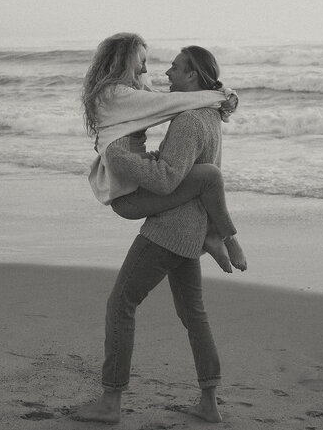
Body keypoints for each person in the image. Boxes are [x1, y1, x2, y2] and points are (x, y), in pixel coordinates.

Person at [75, 42, 247, 424]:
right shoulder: (208, 115)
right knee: (193, 314)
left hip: (169, 229)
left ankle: (110, 402)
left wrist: (120, 159)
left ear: (192, 75)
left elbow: (169, 178)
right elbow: (187, 172)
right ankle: (209, 401)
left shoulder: (187, 120)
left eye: (174, 67)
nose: (165, 73)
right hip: (191, 228)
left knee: (120, 305)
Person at [82, 33, 246, 272]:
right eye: (142, 61)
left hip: (134, 183)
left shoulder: (128, 92)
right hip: (128, 194)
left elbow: (168, 99)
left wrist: (225, 93)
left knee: (196, 172)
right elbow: (170, 103)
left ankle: (211, 235)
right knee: (208, 176)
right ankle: (226, 237)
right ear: (125, 60)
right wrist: (222, 96)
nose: (145, 68)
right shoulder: (113, 95)